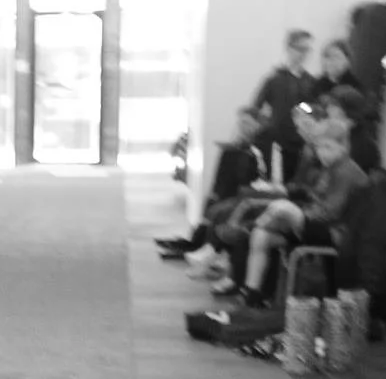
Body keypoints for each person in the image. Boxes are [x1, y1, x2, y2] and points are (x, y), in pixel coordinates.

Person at [220, 90, 371, 308]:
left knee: (281, 208)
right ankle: (252, 293)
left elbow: (330, 212)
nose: (322, 154)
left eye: (328, 148)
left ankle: (247, 227)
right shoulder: (329, 168)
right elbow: (314, 200)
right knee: (262, 235)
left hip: (336, 232)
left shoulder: (347, 172)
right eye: (319, 148)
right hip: (318, 224)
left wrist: (299, 213)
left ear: (343, 147)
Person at [156, 105, 268, 262]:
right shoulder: (239, 145)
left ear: (258, 124)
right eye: (241, 123)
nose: (243, 127)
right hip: (233, 190)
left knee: (219, 209)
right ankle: (195, 242)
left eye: (247, 123)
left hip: (248, 192)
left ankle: (206, 247)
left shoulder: (260, 147)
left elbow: (258, 175)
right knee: (211, 200)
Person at [251, 29, 317, 185]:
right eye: (299, 48)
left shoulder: (311, 82)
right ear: (289, 48)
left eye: (306, 49)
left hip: (301, 143)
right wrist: (266, 126)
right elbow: (256, 108)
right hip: (276, 142)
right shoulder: (275, 79)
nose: (302, 54)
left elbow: (313, 110)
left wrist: (304, 110)